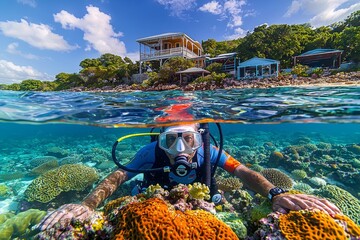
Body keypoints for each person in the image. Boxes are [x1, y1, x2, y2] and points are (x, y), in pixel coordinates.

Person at [38, 123, 341, 231]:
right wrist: (88, 205)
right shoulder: (150, 153)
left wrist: (275, 194)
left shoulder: (209, 150)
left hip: (206, 203)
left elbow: (245, 172)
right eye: (171, 140)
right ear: (159, 140)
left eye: (188, 140)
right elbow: (117, 177)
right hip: (152, 201)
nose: (180, 149)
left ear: (199, 138)